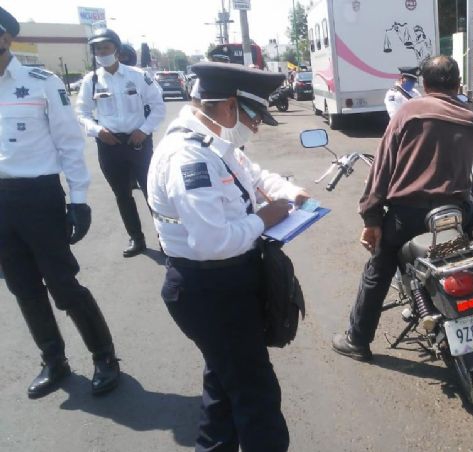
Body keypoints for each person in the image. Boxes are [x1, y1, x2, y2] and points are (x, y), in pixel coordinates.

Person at [147, 62, 311, 451]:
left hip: (226, 283)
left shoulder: (216, 143)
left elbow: (253, 174)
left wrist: (289, 190)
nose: (255, 127)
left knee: (224, 381)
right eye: (253, 117)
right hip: (210, 288)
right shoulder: (189, 158)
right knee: (256, 395)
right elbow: (212, 241)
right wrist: (264, 219)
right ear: (228, 106)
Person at [0, 7, 120, 399]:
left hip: (38, 196)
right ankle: (54, 360)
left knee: (63, 286)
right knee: (22, 288)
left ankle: (104, 356)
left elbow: (70, 143)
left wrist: (80, 200)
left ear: (5, 38)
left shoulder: (41, 82)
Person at [332, 55, 473, 361]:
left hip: (410, 217)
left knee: (378, 269)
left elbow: (382, 171)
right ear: (457, 85)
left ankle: (358, 340)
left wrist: (371, 217)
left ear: (424, 84)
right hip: (457, 213)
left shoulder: (408, 112)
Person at [76, 28, 166, 257]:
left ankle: (165, 239)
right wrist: (97, 130)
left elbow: (158, 106)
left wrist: (144, 130)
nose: (101, 52)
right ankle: (137, 239)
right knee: (122, 194)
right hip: (109, 144)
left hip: (138, 142)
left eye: (106, 47)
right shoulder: (91, 81)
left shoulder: (138, 76)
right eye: (97, 48)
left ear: (116, 48)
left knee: (152, 193)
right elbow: (82, 112)